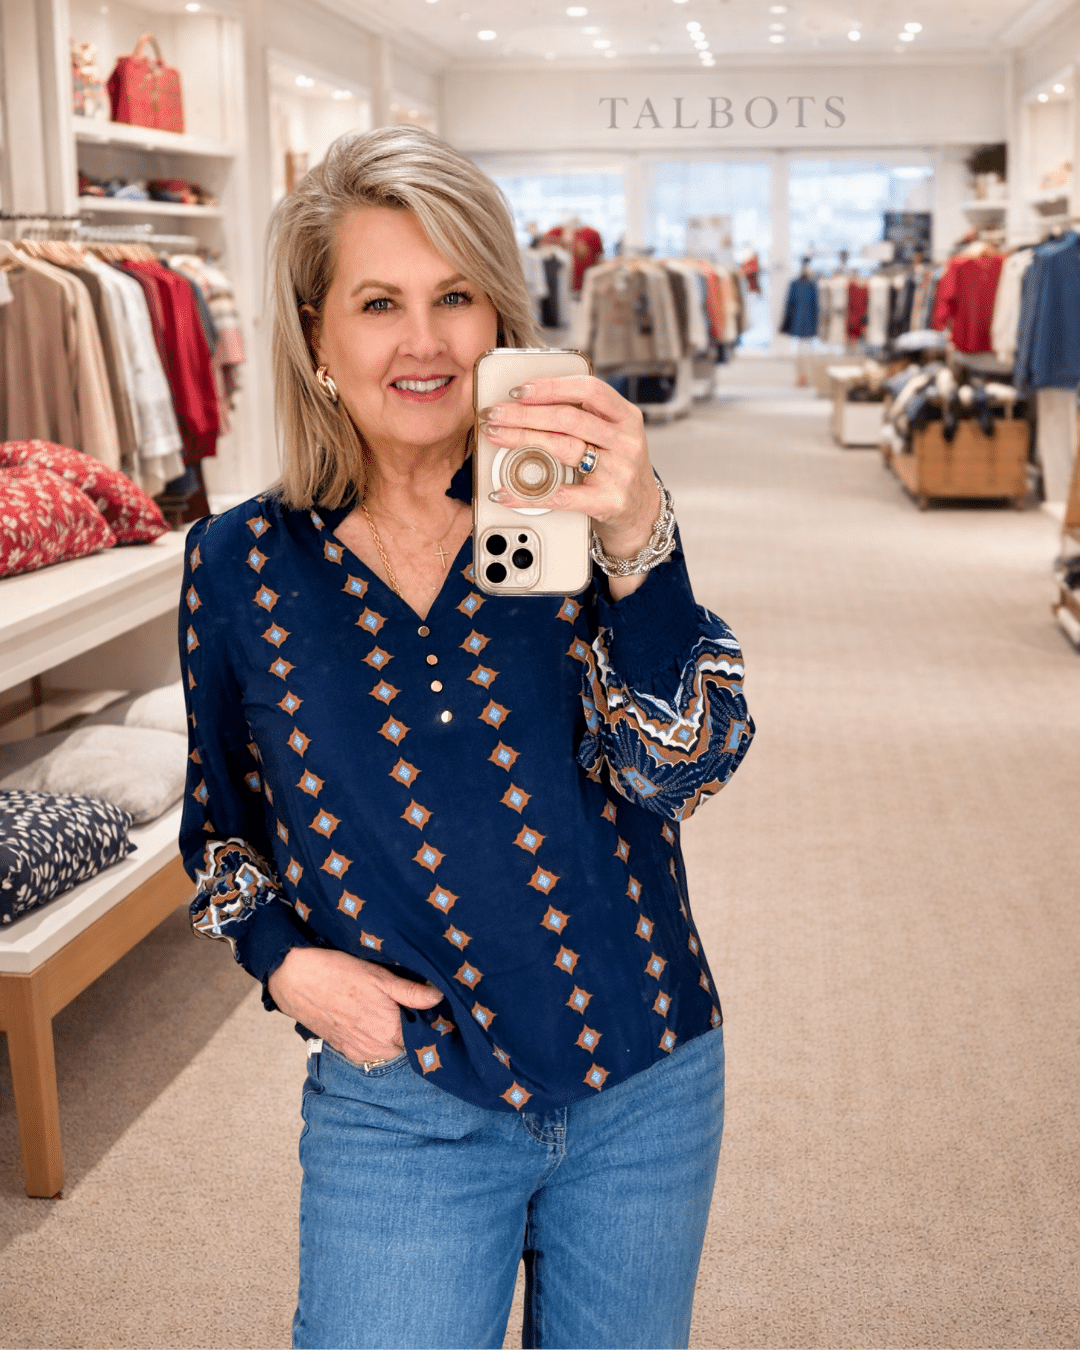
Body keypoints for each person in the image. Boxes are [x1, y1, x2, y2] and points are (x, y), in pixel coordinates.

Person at [178, 125, 754, 1350]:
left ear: (501, 318)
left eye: (456, 296)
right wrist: (285, 960)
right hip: (405, 1094)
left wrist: (642, 535)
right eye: (379, 302)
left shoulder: (583, 516)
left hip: (644, 1070)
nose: (425, 340)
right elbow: (218, 830)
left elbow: (685, 762)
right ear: (317, 334)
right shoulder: (240, 566)